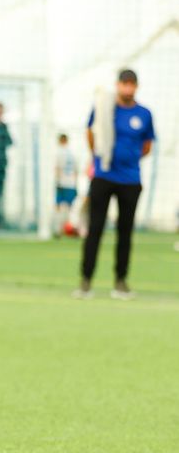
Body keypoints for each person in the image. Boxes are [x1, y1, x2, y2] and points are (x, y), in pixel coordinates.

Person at [75, 68, 154, 300]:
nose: (127, 88)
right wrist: (100, 157)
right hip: (103, 177)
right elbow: (91, 133)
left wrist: (129, 159)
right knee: (95, 229)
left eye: (131, 84)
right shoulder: (104, 108)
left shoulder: (144, 113)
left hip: (130, 180)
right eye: (124, 84)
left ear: (136, 87)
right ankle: (86, 281)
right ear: (118, 85)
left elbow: (147, 145)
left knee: (125, 232)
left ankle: (120, 282)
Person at [54, 134, 78, 236]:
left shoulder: (59, 152)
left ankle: (59, 230)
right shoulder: (72, 154)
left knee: (59, 206)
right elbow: (76, 170)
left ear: (60, 141)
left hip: (62, 183)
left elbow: (57, 168)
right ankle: (70, 228)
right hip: (71, 183)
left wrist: (57, 181)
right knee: (70, 208)